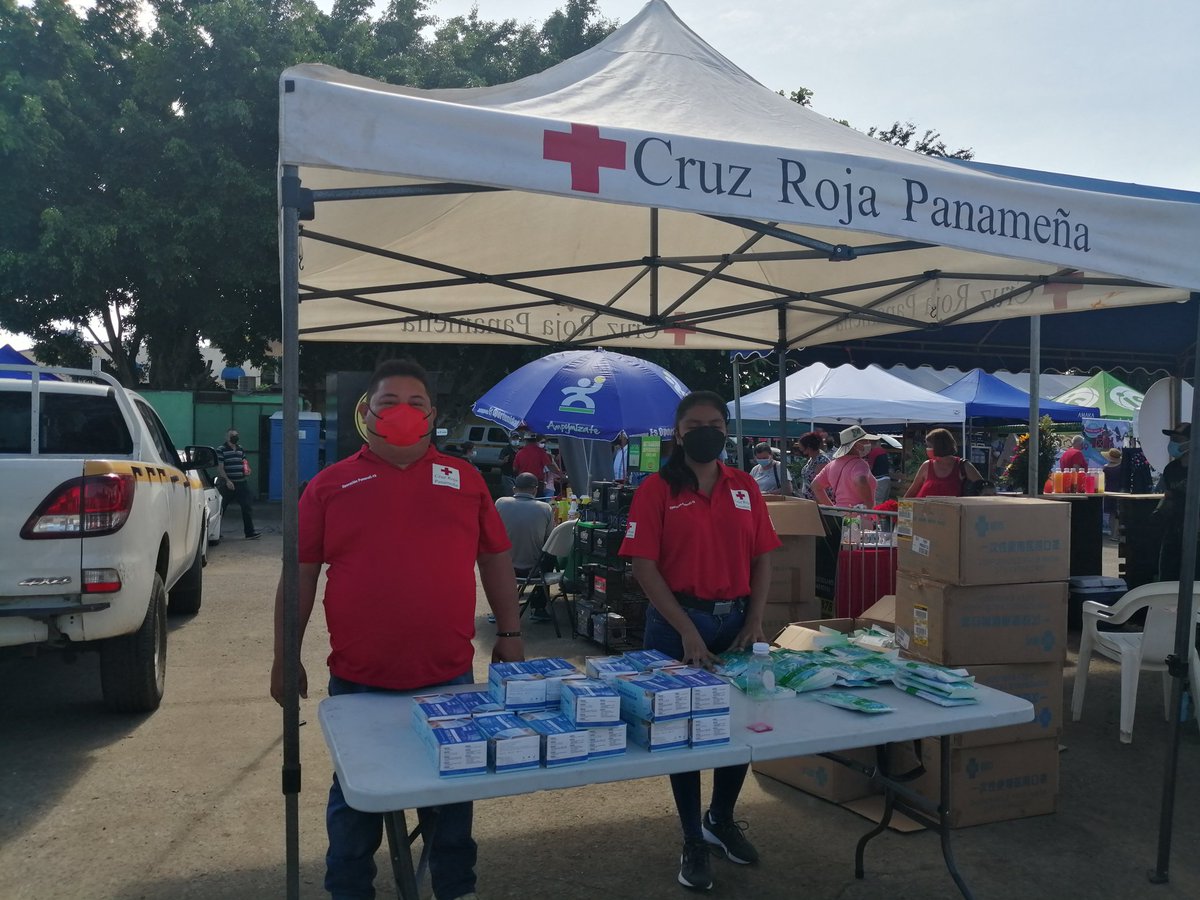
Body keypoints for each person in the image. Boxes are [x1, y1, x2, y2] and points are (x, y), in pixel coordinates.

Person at [269, 358, 523, 900]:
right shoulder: (330, 485)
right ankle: (349, 888)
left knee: (453, 792)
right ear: (368, 411)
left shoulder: (465, 479)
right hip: (361, 678)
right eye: (389, 402)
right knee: (358, 797)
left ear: (433, 414)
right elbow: (300, 575)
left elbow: (496, 557)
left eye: (415, 403)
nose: (402, 412)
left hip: (448, 674)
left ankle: (455, 888)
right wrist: (284, 655)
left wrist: (510, 633)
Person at [619, 390, 781, 892]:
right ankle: (692, 836)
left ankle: (721, 818)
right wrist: (687, 630)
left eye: (714, 423)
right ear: (678, 431)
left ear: (726, 430)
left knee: (736, 728)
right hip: (675, 626)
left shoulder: (744, 487)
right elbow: (643, 565)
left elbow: (763, 556)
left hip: (735, 624)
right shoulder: (656, 490)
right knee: (684, 735)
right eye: (694, 424)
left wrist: (755, 619)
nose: (704, 431)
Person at [495, 472, 554, 623]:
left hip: (505, 568)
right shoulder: (545, 508)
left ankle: (500, 609)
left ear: (514, 489)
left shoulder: (501, 503)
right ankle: (538, 608)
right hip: (534, 571)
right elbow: (549, 541)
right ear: (535, 490)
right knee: (549, 553)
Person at [1153, 422, 1199, 581]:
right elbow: (1167, 495)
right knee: (1168, 579)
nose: (1172, 443)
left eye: (1177, 439)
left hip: (1196, 535)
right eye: (1171, 438)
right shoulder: (1171, 469)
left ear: (1192, 441)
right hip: (1173, 533)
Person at [905, 428, 984, 498]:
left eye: (929, 446)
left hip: (951, 513)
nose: (927, 449)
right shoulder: (926, 465)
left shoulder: (963, 466)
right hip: (921, 512)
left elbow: (984, 488)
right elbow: (912, 492)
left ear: (938, 447)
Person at [811, 426, 878, 508]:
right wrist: (869, 505)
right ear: (856, 445)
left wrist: (832, 508)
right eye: (865, 441)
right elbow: (861, 481)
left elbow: (815, 485)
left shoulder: (831, 465)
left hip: (839, 516)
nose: (869, 443)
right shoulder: (860, 464)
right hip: (859, 516)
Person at [215, 428, 261, 539]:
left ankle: (250, 533)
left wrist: (247, 470)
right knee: (221, 508)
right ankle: (215, 533)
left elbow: (244, 462)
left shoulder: (240, 449)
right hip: (228, 484)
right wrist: (227, 481)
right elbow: (220, 468)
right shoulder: (221, 449)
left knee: (247, 507)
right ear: (227, 437)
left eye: (236, 435)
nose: (235, 437)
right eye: (233, 435)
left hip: (241, 483)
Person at [795, 431, 831, 501]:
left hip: (819, 502)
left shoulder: (822, 460)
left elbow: (820, 485)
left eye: (801, 446)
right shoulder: (812, 459)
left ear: (808, 447)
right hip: (809, 501)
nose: (799, 448)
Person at [1102, 447, 1123, 537]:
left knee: (1111, 514)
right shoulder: (1120, 467)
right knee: (1117, 513)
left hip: (1108, 491)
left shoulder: (1106, 468)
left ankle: (1112, 533)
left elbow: (1104, 481)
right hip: (1119, 491)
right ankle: (1116, 533)